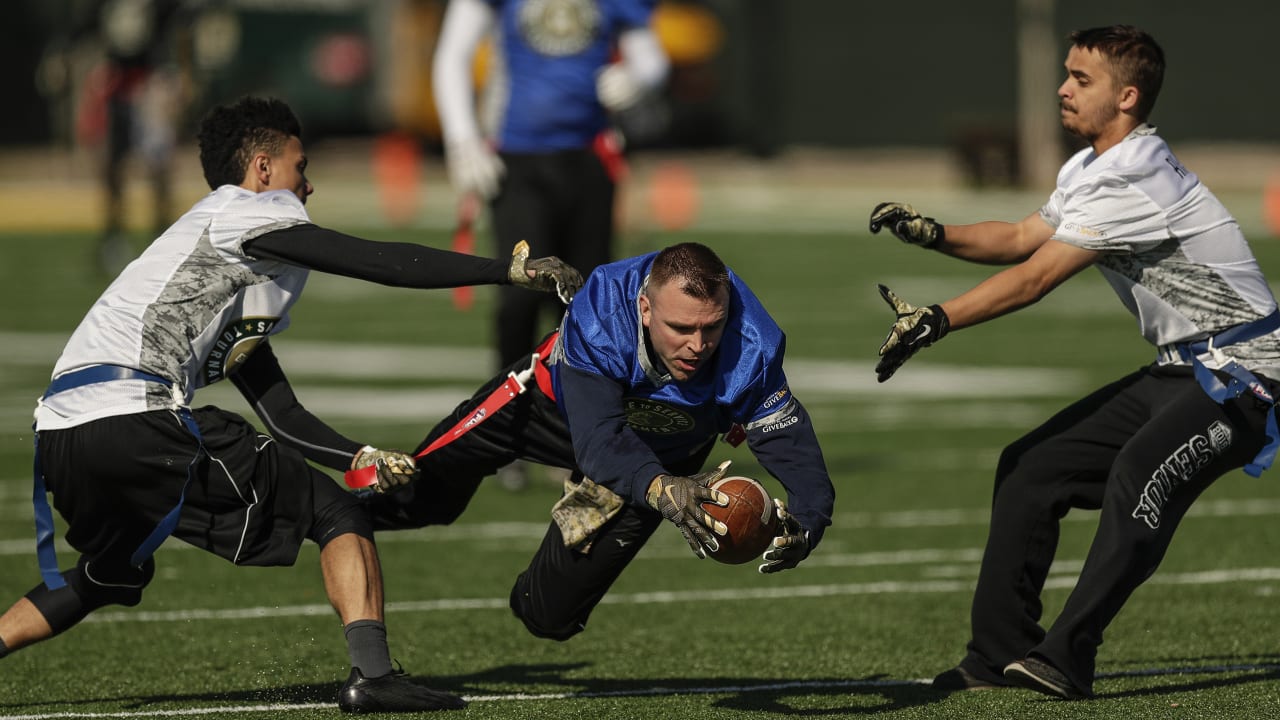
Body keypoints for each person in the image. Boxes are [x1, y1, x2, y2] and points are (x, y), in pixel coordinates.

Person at [0, 96, 580, 713]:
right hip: (136, 411)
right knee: (337, 515)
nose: (309, 183)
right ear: (262, 167)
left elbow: (280, 412)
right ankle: (375, 676)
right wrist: (505, 271)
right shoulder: (245, 210)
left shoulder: (217, 259)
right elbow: (373, 260)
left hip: (62, 432)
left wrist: (360, 454)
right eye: (300, 166)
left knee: (111, 568)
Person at [868, 25, 1280, 700]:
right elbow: (1022, 237)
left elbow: (1034, 278)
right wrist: (934, 234)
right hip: (1184, 367)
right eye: (1066, 74)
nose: (1062, 88)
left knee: (1138, 477)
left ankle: (1066, 658)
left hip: (1249, 372)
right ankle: (996, 655)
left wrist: (937, 319)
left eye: (1080, 80)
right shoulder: (1091, 166)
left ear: (1126, 96)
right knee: (1031, 468)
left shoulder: (1133, 177)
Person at [368, 242, 835, 640]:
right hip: (544, 410)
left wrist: (807, 522)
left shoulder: (752, 342)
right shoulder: (604, 306)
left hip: (660, 448)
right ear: (645, 308)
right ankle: (320, 512)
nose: (698, 344)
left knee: (545, 614)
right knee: (416, 494)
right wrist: (657, 486)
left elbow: (790, 443)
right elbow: (598, 437)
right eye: (681, 328)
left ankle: (554, 566)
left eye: (711, 328)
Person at [433, 0, 670, 489]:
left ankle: (576, 438)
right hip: (519, 161)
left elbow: (651, 55)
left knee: (585, 307)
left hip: (588, 160)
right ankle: (504, 433)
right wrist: (462, 139)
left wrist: (638, 79)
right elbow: (453, 54)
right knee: (519, 297)